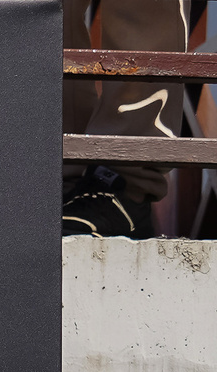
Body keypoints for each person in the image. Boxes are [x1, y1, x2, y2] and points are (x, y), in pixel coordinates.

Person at [61, 0, 199, 238]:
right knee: (42, 10)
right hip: (46, 175)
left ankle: (125, 185)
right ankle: (56, 176)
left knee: (144, 5)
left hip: (123, 179)